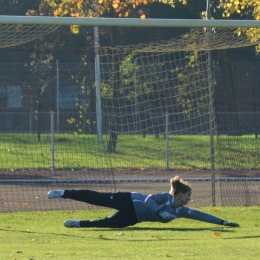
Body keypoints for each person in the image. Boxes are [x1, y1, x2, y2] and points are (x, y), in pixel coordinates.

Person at [47, 176, 240, 228]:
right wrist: (158, 212)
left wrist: (222, 222)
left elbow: (199, 215)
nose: (190, 199)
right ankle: (63, 193)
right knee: (97, 198)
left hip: (134, 217)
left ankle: (77, 224)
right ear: (180, 194)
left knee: (106, 224)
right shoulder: (167, 197)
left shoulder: (179, 211)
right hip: (128, 200)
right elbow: (148, 200)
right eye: (188, 195)